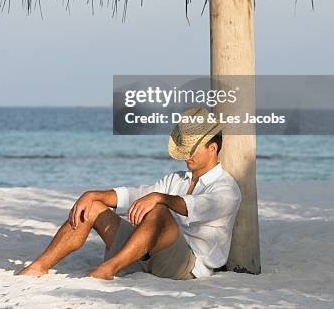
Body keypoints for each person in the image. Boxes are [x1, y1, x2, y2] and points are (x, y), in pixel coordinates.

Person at [17, 106, 241, 280]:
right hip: (145, 253)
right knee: (93, 207)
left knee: (160, 210)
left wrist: (159, 198)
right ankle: (39, 267)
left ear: (212, 148)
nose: (186, 155)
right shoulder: (176, 179)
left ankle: (108, 269)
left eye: (192, 148)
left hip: (186, 265)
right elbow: (137, 194)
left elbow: (194, 206)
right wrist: (93, 194)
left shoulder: (227, 188)